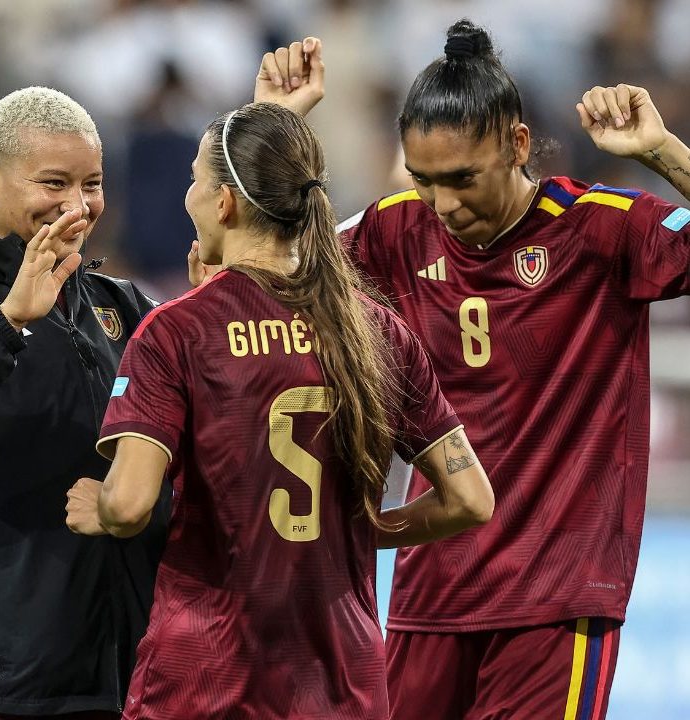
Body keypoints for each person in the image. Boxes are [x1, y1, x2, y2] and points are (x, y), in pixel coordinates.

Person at [247, 23, 690, 720]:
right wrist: (276, 124)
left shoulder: (600, 229)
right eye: (424, 182)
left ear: (517, 145)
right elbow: (256, 275)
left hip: (556, 597)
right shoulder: (396, 230)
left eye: (461, 179)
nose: (445, 206)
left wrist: (661, 149)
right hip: (431, 593)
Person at [65, 101, 494, 720]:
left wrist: (100, 510)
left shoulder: (175, 332)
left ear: (225, 203)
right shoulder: (376, 329)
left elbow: (130, 505)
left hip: (205, 682)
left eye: (195, 180)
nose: (186, 195)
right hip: (343, 683)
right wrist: (355, 532)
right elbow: (470, 500)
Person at [0, 87, 169, 718]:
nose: (77, 207)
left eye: (92, 184)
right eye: (54, 182)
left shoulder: (123, 305)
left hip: (123, 672)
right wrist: (7, 322)